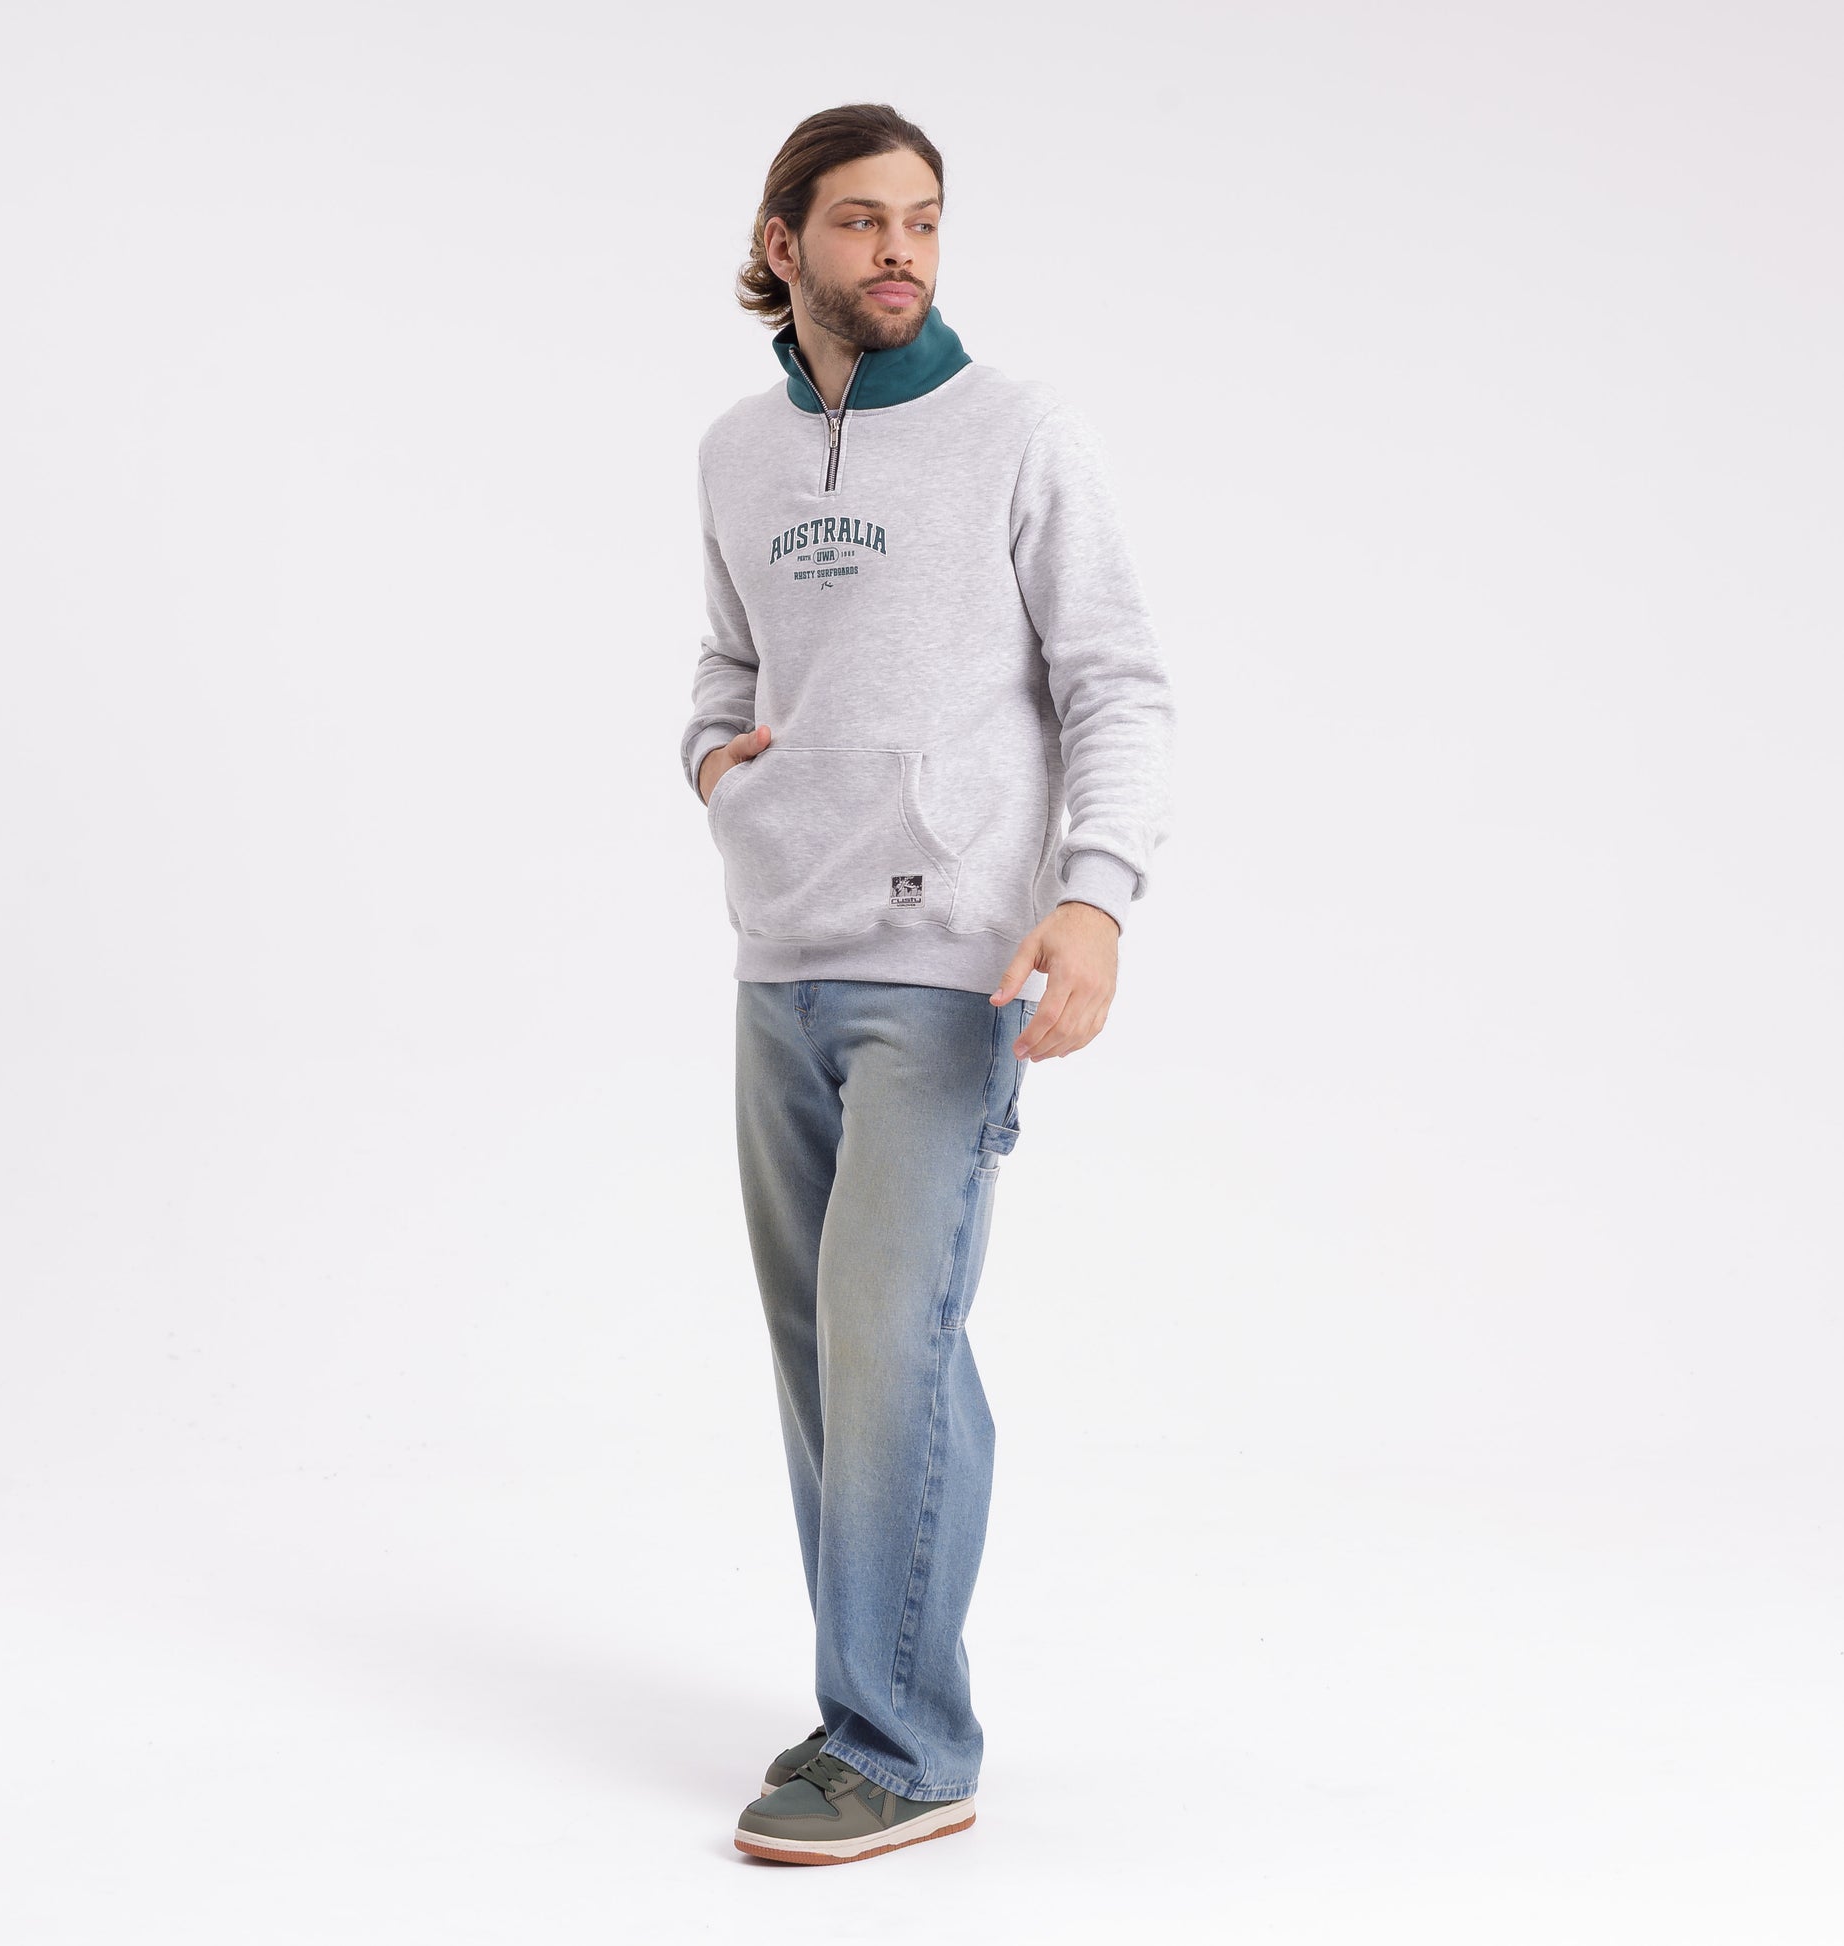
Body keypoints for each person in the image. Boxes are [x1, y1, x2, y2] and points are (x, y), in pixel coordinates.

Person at [680, 102, 1175, 1866]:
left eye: (924, 221)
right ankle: (864, 1699)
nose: (899, 250)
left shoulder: (1018, 432)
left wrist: (1092, 900)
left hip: (948, 971)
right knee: (830, 1364)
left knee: (893, 1345)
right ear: (784, 242)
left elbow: (1115, 679)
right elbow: (728, 658)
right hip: (778, 963)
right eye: (862, 221)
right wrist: (712, 765)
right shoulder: (737, 451)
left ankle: (901, 1744)